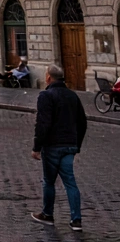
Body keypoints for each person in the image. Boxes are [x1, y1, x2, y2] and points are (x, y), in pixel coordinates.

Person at [31, 65, 87, 230]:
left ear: (48, 77)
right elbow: (82, 123)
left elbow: (43, 124)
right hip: (69, 145)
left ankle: (48, 214)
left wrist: (36, 147)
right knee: (70, 182)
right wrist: (77, 145)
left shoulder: (46, 96)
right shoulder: (72, 96)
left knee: (49, 181)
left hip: (53, 146)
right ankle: (76, 220)